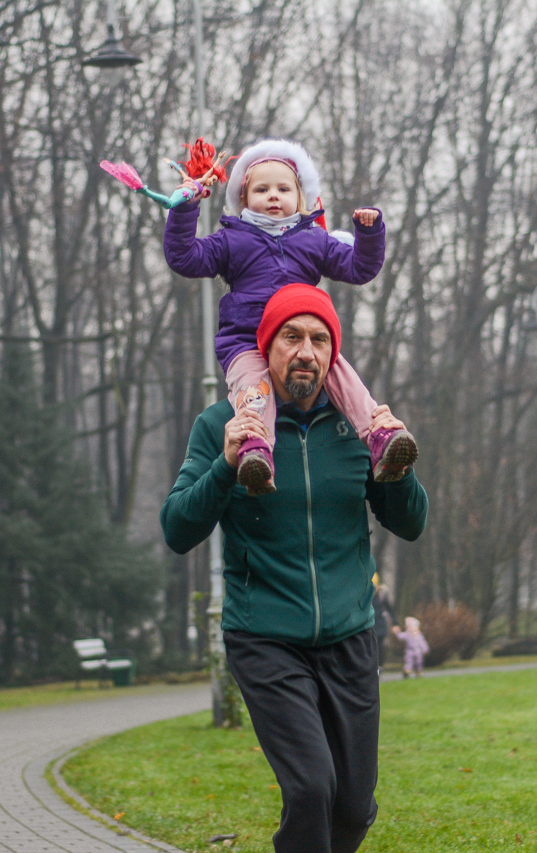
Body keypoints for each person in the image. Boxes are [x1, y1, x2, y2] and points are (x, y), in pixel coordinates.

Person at [160, 284, 428, 853]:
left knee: (354, 807)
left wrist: (397, 469)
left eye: (319, 339)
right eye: (292, 337)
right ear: (268, 345)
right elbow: (177, 529)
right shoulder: (222, 424)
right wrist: (226, 465)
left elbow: (411, 524)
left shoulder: (358, 425)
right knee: (310, 789)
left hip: (350, 638)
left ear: (333, 352)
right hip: (265, 639)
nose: (306, 351)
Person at [165, 138, 416, 496]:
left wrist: (369, 233)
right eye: (261, 189)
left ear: (300, 198)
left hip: (301, 341)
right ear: (243, 198)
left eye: (283, 189)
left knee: (341, 375)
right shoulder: (231, 240)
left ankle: (379, 436)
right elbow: (185, 258)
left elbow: (359, 268)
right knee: (254, 390)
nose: (273, 196)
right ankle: (255, 452)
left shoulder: (313, 240)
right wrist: (184, 210)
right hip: (246, 340)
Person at [372, 582, 396, 666]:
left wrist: (395, 624)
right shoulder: (366, 597)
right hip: (370, 625)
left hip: (380, 625)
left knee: (379, 647)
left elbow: (390, 609)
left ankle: (379, 666)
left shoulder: (382, 596)